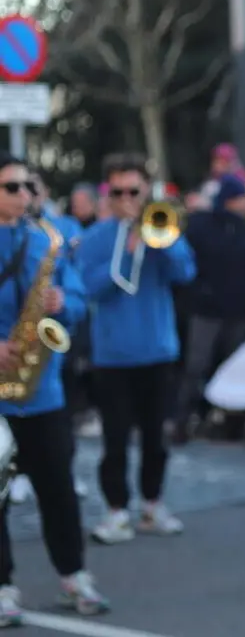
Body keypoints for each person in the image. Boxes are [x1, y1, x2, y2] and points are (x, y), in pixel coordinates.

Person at [0, 153, 108, 624]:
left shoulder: (48, 238)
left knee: (59, 490)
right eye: (10, 187)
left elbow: (82, 301)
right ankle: (2, 586)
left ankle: (73, 575)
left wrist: (66, 301)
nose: (23, 194)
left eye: (26, 185)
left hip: (42, 390)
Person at [75, 153, 195, 544]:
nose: (126, 198)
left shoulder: (164, 228)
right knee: (114, 440)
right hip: (112, 356)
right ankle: (115, 511)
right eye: (119, 191)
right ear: (108, 193)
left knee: (155, 437)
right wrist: (126, 249)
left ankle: (152, 503)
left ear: (146, 192)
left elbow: (185, 273)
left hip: (157, 352)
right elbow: (90, 288)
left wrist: (158, 241)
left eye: (134, 191)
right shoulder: (95, 237)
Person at [172, 174, 245, 443]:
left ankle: (232, 424)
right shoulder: (201, 226)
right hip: (206, 310)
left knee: (234, 369)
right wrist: (200, 295)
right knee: (196, 366)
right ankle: (182, 421)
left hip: (236, 311)